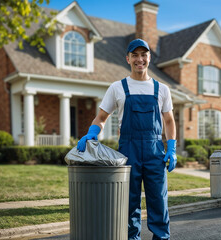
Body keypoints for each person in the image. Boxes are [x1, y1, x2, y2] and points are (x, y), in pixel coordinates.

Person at [77, 38, 176, 240]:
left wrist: (172, 148)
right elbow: (101, 117)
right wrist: (92, 132)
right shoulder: (117, 88)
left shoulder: (162, 89)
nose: (140, 59)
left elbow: (169, 120)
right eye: (135, 55)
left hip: (155, 151)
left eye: (143, 54)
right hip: (128, 151)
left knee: (158, 200)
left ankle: (161, 237)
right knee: (129, 202)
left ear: (149, 57)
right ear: (128, 58)